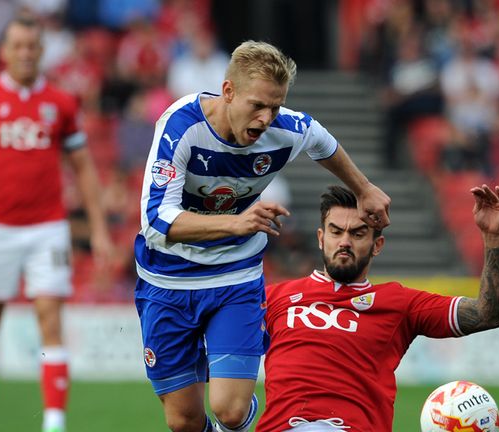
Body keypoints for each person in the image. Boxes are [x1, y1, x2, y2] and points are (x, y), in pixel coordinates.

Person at [134, 40, 391, 432]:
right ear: (228, 91)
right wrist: (235, 223)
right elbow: (157, 218)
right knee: (183, 420)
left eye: (275, 106)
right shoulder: (181, 126)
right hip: (166, 278)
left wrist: (364, 189)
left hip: (235, 276)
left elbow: (323, 142)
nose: (266, 117)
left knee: (230, 411)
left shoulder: (286, 129)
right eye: (257, 105)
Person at [0, 16, 112, 432]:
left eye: (33, 46)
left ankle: (54, 422)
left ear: (42, 50)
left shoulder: (62, 103)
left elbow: (84, 168)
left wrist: (100, 227)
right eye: (18, 45)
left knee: (51, 320)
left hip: (47, 228)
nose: (26, 53)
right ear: (4, 51)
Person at [257, 184, 499, 432]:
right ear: (322, 239)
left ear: (377, 245)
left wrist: (493, 237)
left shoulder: (399, 303)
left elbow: (490, 314)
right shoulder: (274, 297)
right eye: (336, 232)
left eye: (357, 234)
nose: (344, 241)